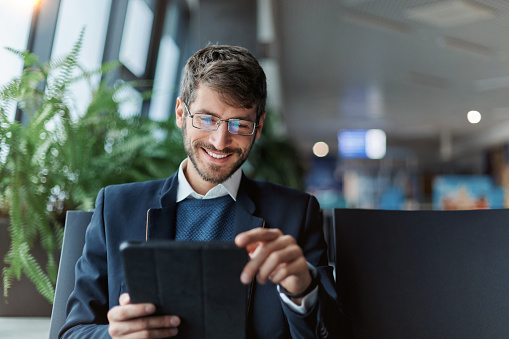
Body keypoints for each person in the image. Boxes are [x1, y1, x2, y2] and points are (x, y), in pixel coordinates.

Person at [60, 45, 351, 339]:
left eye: (239, 124)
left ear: (258, 127)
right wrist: (113, 336)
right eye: (207, 119)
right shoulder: (117, 208)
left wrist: (304, 291)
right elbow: (72, 332)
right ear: (180, 114)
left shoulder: (295, 215)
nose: (220, 141)